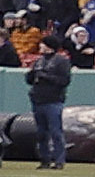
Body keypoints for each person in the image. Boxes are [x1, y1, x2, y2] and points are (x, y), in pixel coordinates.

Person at [26, 37, 74, 169]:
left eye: (43, 44)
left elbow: (64, 81)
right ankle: (44, 159)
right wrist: (31, 75)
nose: (40, 46)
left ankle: (59, 160)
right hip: (38, 100)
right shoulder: (39, 61)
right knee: (41, 133)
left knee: (55, 132)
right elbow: (30, 80)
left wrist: (45, 77)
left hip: (53, 100)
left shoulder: (61, 61)